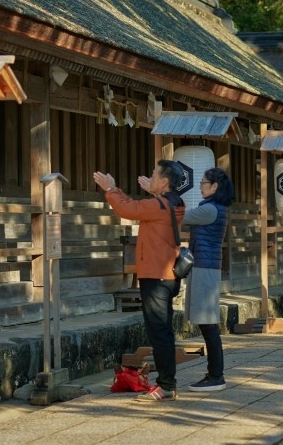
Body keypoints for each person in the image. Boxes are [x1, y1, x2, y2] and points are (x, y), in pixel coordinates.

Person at [93, 161, 185, 402]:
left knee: (159, 333)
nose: (150, 176)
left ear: (164, 181)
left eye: (155, 175)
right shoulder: (174, 203)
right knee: (162, 330)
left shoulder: (159, 205)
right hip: (167, 274)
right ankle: (167, 382)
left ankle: (166, 385)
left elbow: (129, 210)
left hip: (155, 275)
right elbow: (139, 206)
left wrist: (111, 189)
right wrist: (154, 192)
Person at [179, 167, 233, 392]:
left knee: (208, 324)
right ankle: (214, 373)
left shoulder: (210, 209)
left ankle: (216, 375)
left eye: (203, 183)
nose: (200, 186)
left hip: (205, 268)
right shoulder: (214, 208)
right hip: (205, 267)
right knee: (207, 323)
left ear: (214, 187)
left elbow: (179, 217)